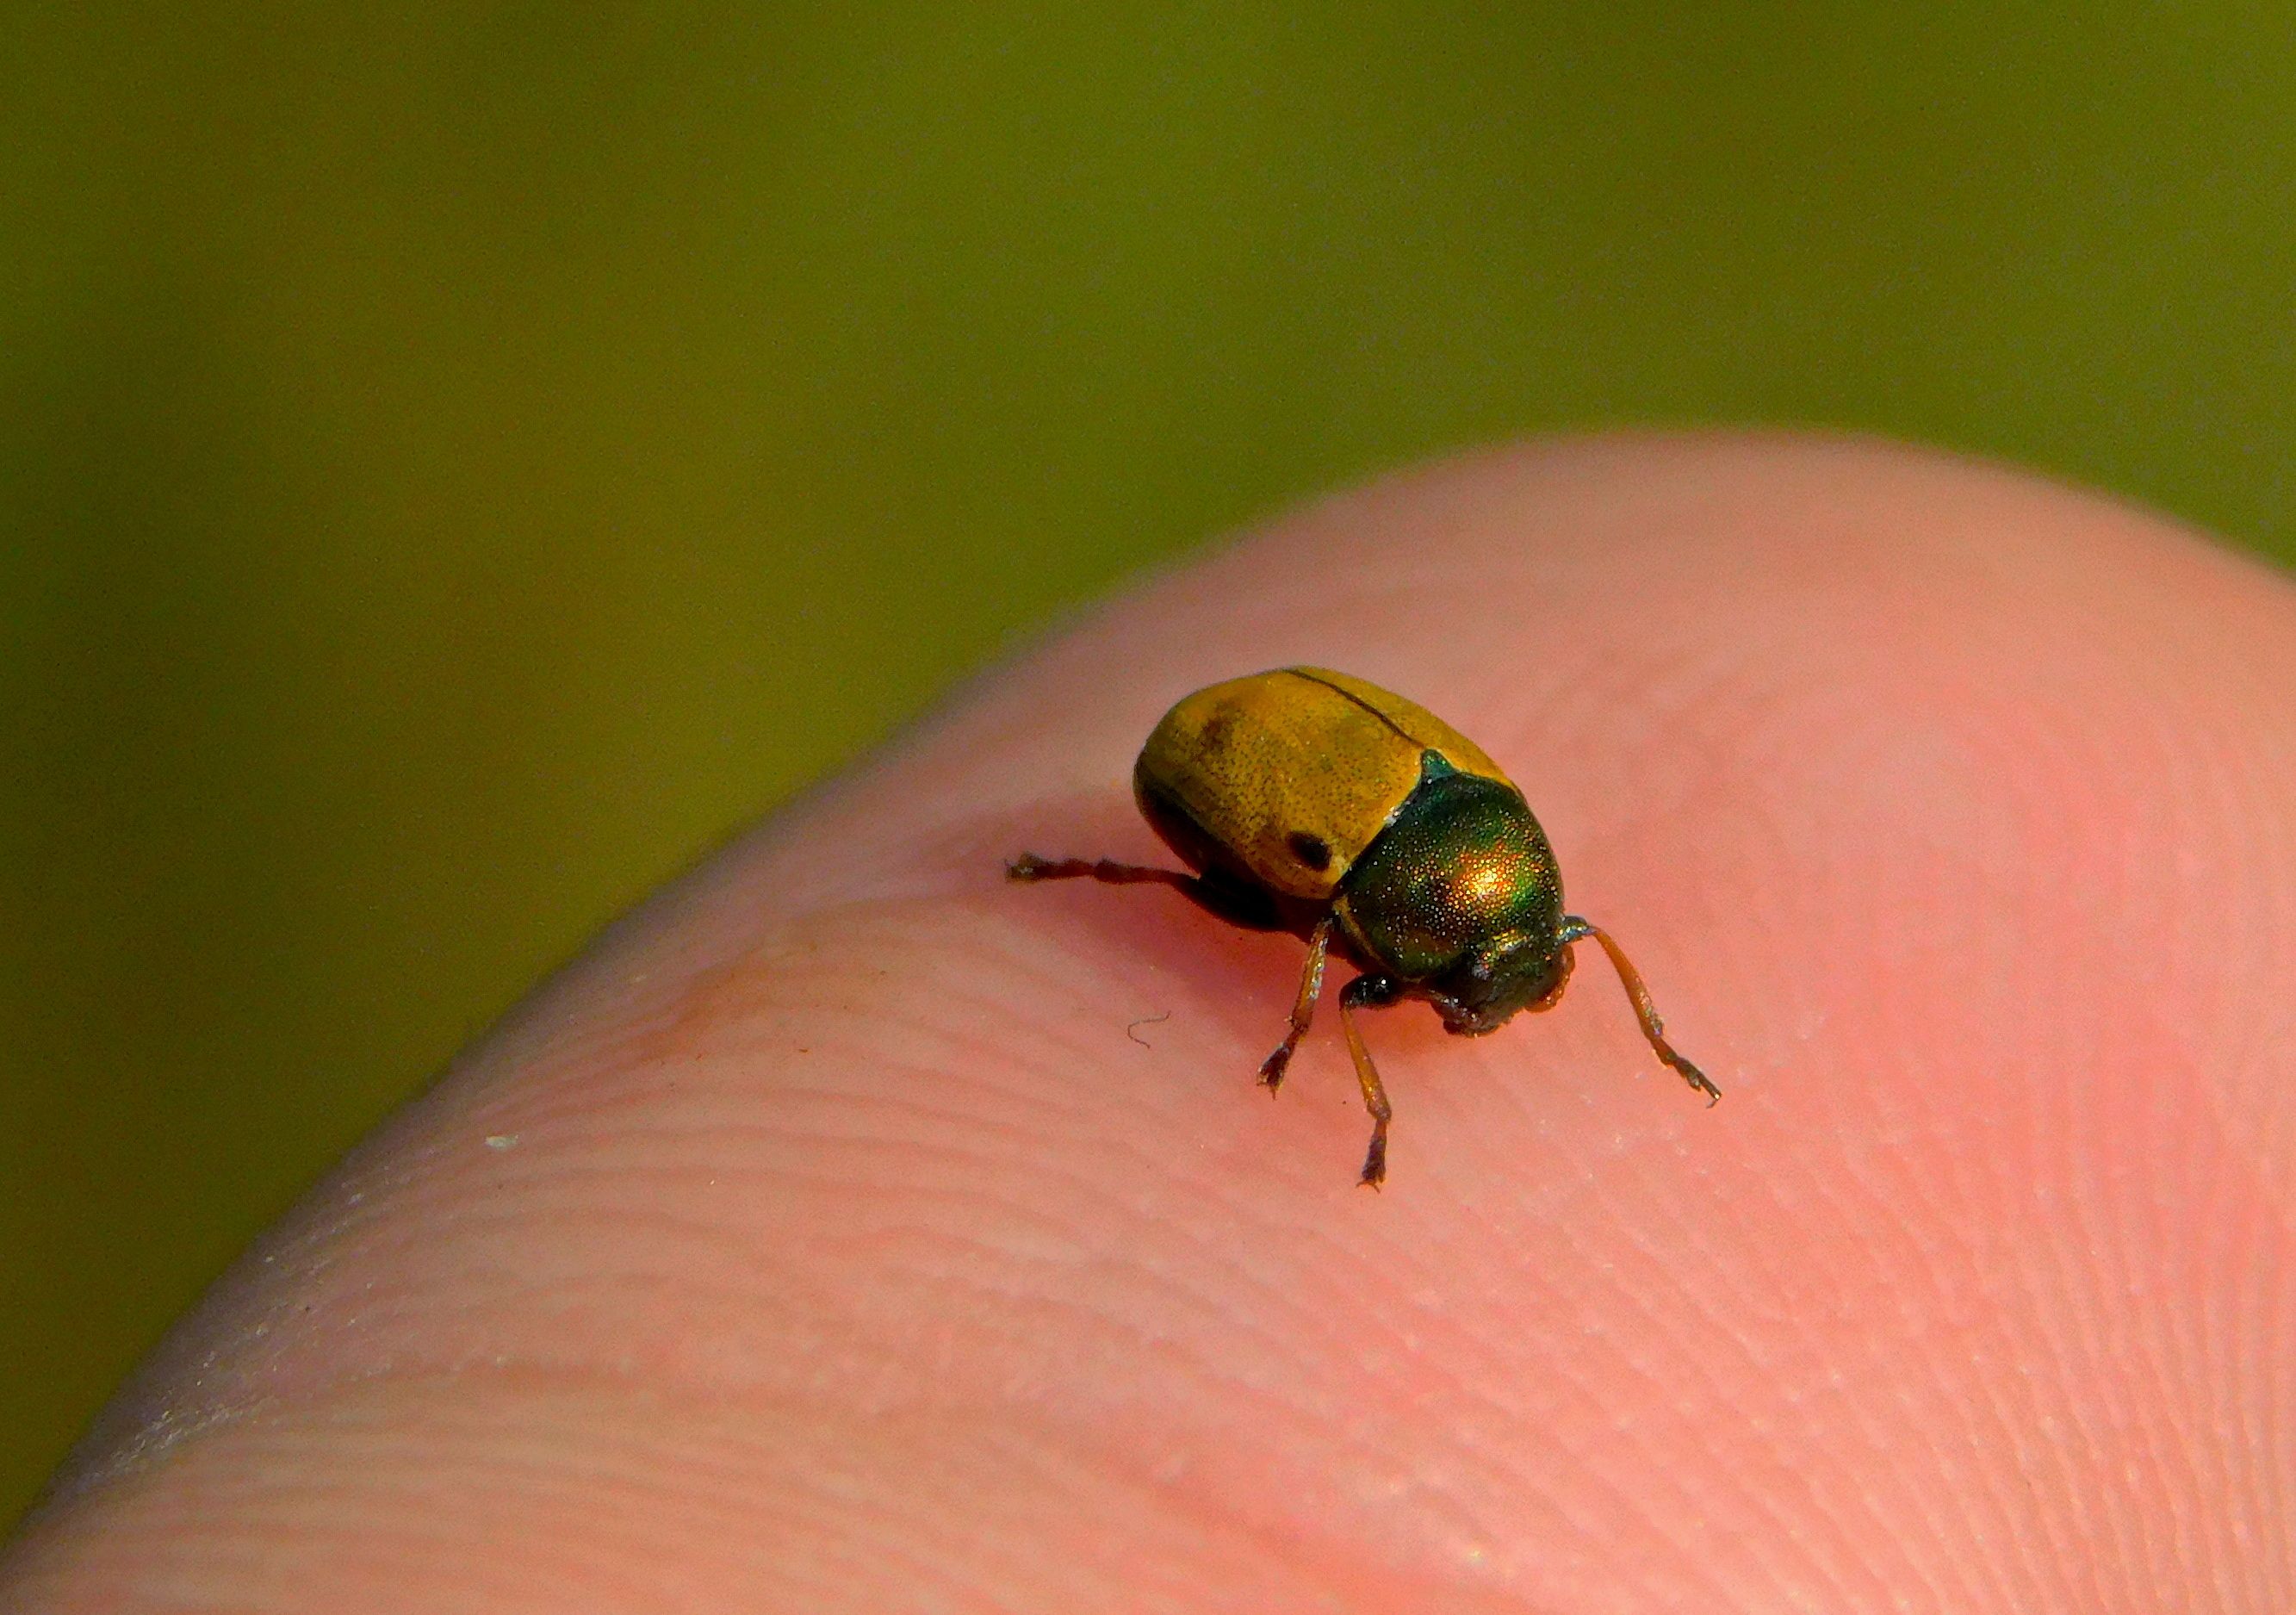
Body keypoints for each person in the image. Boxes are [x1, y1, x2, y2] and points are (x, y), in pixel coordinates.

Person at [6, 435, 2290, 1608]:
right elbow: (1307, 943)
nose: (1488, 996)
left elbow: (1525, 929)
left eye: (1489, 976)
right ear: (1401, 941)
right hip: (1245, 768)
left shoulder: (1513, 877)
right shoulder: (1358, 921)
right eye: (1457, 981)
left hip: (1375, 788)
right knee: (1203, 911)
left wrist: (1564, 993)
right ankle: (1108, 899)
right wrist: (1335, 1076)